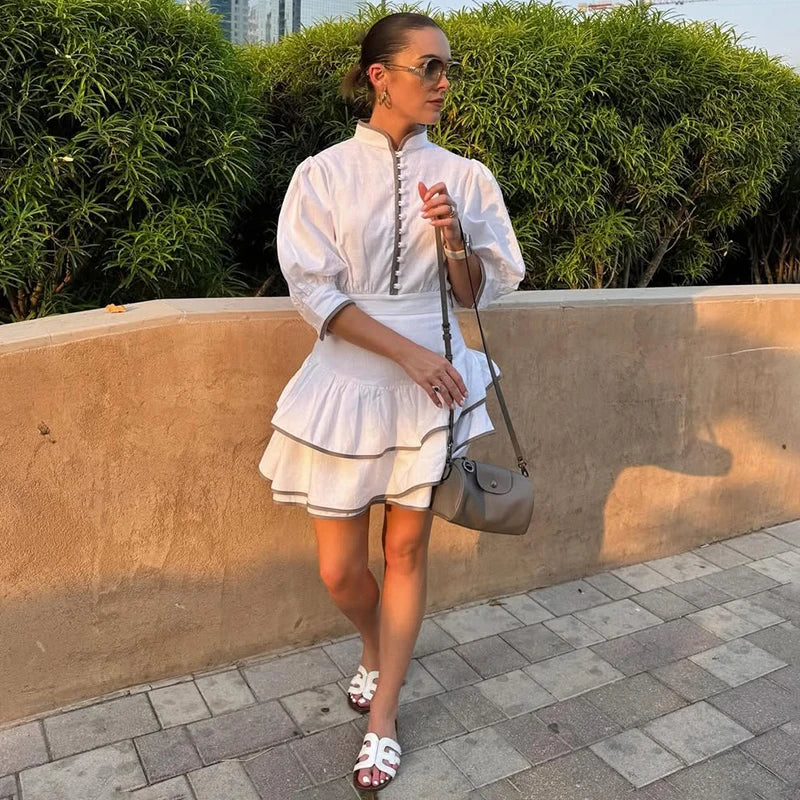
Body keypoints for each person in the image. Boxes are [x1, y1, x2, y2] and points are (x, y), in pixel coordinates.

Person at [258, 11, 526, 792]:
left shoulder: (467, 178)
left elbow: (477, 293)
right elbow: (313, 291)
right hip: (351, 378)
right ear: (380, 76)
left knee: (406, 552)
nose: (442, 83)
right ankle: (376, 648)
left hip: (430, 388)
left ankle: (385, 714)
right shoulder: (322, 175)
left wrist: (454, 240)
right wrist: (406, 353)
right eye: (427, 67)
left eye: (447, 69)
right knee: (340, 569)